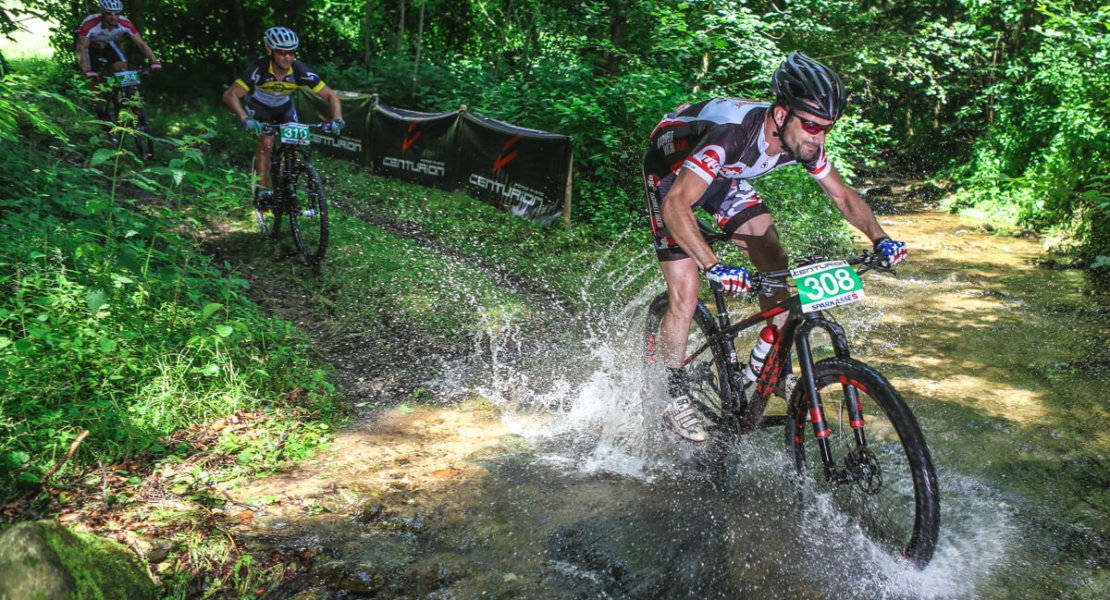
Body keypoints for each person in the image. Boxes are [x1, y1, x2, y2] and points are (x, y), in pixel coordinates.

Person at [643, 52, 908, 442]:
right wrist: (713, 264)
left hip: (724, 177)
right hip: (671, 177)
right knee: (687, 290)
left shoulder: (803, 140)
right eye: (813, 126)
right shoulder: (731, 136)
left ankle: (773, 370)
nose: (818, 138)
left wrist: (880, 238)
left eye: (827, 129)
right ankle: (675, 394)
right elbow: (675, 204)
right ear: (782, 115)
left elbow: (843, 197)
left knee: (775, 261)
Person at [222, 27, 344, 205]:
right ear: (270, 51)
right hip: (259, 107)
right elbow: (230, 95)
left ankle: (286, 185)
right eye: (281, 52)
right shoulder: (260, 67)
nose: (287, 57)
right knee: (267, 142)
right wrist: (244, 117)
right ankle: (262, 193)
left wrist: (337, 118)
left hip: (283, 107)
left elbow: (331, 96)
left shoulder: (299, 70)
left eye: (292, 52)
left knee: (294, 145)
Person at [76, 0, 161, 117]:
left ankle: (125, 99)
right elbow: (81, 48)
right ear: (102, 12)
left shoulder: (125, 23)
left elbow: (141, 44)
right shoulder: (90, 23)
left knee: (122, 69)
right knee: (94, 81)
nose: (113, 17)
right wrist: (87, 70)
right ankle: (100, 113)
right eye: (109, 13)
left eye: (116, 14)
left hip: (107, 44)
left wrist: (154, 61)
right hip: (90, 47)